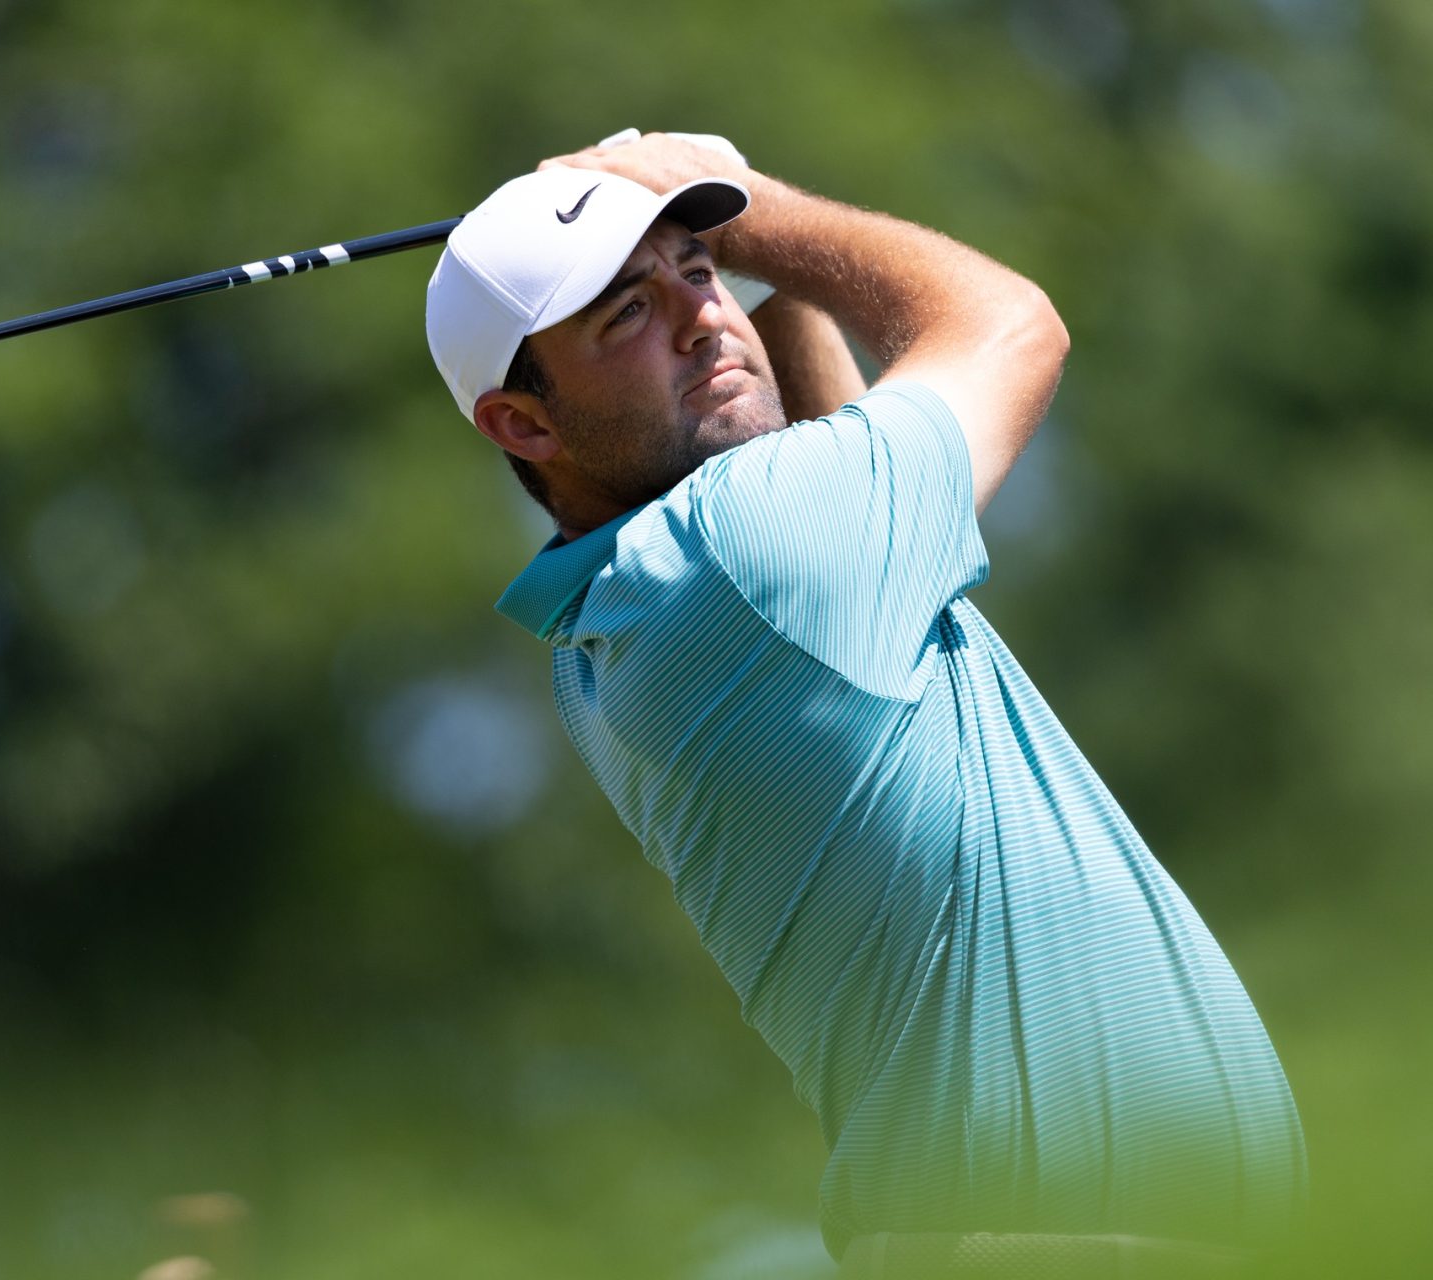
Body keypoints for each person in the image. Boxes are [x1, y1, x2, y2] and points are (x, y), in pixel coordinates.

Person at [423, 133, 1306, 1276]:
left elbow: (818, 437)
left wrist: (738, 271)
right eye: (623, 315)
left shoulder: (629, 613)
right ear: (524, 426)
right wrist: (757, 210)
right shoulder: (748, 549)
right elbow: (1012, 322)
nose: (701, 316)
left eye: (696, 271)